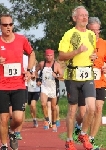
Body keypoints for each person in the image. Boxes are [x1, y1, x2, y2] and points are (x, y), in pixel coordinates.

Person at [0, 14, 35, 150]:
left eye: (10, 24)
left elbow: (32, 53)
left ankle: (12, 132)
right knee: (4, 118)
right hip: (2, 86)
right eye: (5, 25)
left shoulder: (21, 39)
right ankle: (4, 145)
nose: (8, 27)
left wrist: (29, 70)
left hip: (19, 84)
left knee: (18, 118)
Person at [58, 6, 97, 150]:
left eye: (86, 15)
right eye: (81, 15)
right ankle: (69, 140)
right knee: (73, 110)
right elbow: (61, 56)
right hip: (72, 76)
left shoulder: (91, 35)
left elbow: (92, 54)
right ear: (75, 18)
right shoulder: (69, 34)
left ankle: (83, 134)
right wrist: (76, 51)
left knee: (91, 108)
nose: (85, 18)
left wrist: (93, 56)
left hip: (88, 75)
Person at [73, 17, 106, 150]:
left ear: (99, 30)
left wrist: (105, 66)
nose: (94, 33)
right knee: (82, 112)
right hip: (84, 80)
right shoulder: (82, 42)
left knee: (98, 109)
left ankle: (90, 139)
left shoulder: (104, 44)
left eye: (96, 30)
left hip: (100, 80)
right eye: (91, 30)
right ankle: (77, 126)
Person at [36, 49, 63, 132]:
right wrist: (38, 80)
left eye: (51, 55)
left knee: (53, 107)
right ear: (45, 56)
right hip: (44, 86)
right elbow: (35, 72)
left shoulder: (57, 65)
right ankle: (47, 119)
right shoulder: (41, 64)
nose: (49, 57)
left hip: (53, 87)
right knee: (43, 104)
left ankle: (54, 123)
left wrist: (57, 76)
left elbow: (62, 76)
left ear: (53, 56)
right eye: (47, 55)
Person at [27, 60, 40, 128]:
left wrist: (37, 80)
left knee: (33, 105)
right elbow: (26, 79)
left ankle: (35, 118)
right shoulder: (27, 70)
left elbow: (40, 80)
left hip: (36, 91)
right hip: (29, 91)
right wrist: (29, 77)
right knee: (31, 108)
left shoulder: (38, 71)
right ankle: (34, 119)